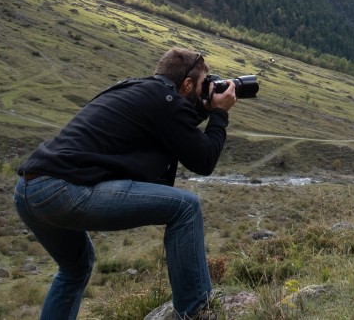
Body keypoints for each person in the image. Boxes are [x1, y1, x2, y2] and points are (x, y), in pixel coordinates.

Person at [13, 47, 237, 319]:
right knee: (186, 207)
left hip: (28, 190)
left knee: (75, 267)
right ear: (187, 84)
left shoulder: (136, 89)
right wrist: (219, 113)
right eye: (203, 84)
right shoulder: (166, 102)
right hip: (63, 191)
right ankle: (195, 311)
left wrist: (202, 109)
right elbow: (204, 160)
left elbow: (176, 129)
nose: (207, 89)